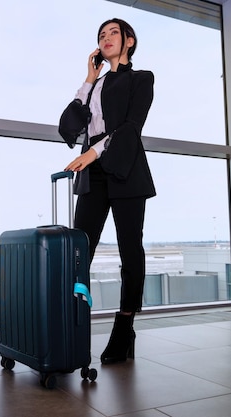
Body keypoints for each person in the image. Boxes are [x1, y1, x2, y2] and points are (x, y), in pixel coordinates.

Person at [62, 18, 155, 364]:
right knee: (77, 251)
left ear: (129, 41)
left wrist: (93, 152)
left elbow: (131, 127)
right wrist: (88, 78)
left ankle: (125, 325)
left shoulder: (141, 79)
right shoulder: (95, 84)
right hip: (93, 176)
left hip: (125, 171)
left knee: (130, 252)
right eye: (101, 36)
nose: (106, 38)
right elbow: (69, 126)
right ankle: (70, 321)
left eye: (113, 33)